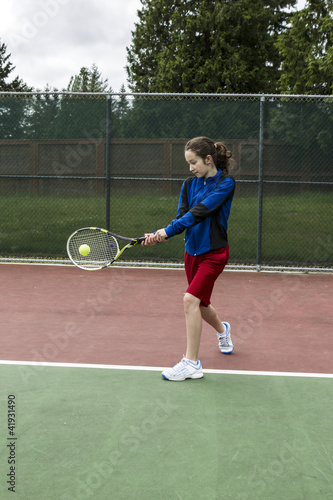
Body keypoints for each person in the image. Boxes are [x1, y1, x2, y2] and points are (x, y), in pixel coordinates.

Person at [142, 136, 235, 381]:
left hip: (214, 254)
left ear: (208, 159)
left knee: (189, 301)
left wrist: (167, 230)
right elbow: (182, 216)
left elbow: (200, 212)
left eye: (193, 162)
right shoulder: (188, 183)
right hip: (191, 252)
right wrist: (160, 234)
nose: (191, 168)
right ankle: (222, 329)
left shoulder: (225, 184)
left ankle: (191, 363)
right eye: (188, 163)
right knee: (201, 303)